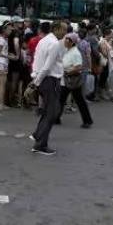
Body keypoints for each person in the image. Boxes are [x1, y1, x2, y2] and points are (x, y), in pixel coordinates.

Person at [30, 20, 67, 155]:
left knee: (48, 111)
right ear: (56, 29)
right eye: (63, 29)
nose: (65, 33)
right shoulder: (54, 43)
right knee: (52, 113)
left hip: (43, 78)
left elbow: (36, 60)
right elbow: (47, 66)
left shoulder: (43, 40)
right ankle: (39, 142)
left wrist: (35, 77)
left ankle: (38, 137)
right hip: (49, 80)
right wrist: (36, 82)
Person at [56, 33, 93, 128]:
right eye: (65, 39)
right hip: (66, 80)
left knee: (79, 101)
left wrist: (67, 72)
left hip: (72, 80)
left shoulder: (75, 53)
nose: (65, 41)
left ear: (72, 42)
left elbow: (79, 67)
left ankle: (87, 121)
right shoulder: (68, 51)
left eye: (67, 40)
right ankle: (56, 118)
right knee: (61, 99)